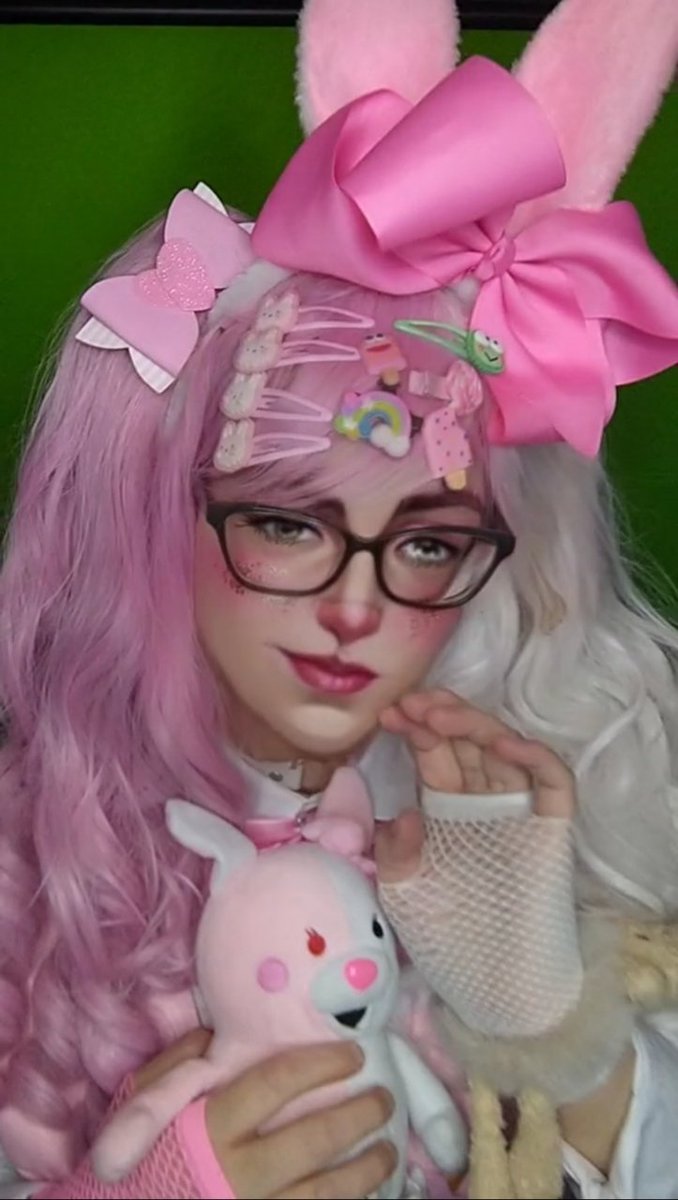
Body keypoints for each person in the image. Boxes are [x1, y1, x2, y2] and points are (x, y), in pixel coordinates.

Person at [0, 0, 677, 1197]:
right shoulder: (35, 847)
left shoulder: (523, 800)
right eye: (286, 525)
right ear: (158, 519)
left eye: (426, 544)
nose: (356, 608)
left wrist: (544, 1018)